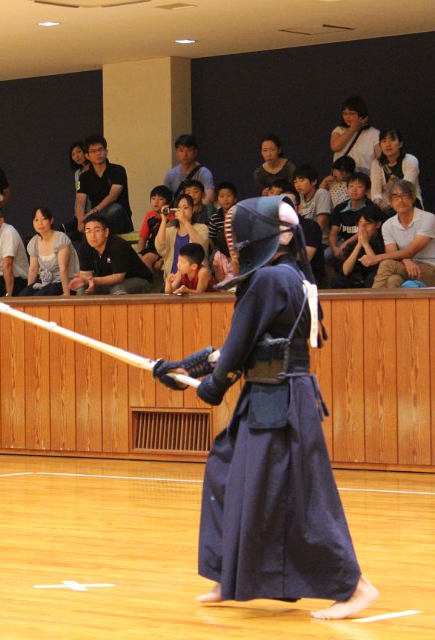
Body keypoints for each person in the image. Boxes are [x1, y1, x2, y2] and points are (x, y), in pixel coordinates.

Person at [152, 195, 378, 620]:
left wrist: (212, 385)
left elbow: (238, 346)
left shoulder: (269, 280)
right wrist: (187, 367)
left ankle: (354, 586)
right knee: (226, 470)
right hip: (272, 396)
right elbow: (256, 344)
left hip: (279, 401)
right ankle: (229, 574)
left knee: (298, 495)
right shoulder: (292, 275)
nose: (235, 245)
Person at [367, 180, 435, 288]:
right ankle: (384, 300)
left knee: (387, 264)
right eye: (395, 196)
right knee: (393, 280)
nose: (400, 200)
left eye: (404, 195)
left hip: (430, 268)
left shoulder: (428, 218)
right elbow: (392, 253)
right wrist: (407, 261)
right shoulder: (388, 225)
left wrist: (378, 257)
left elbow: (411, 251)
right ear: (390, 201)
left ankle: (372, 298)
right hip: (406, 267)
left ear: (412, 198)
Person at [69, 213, 152, 295]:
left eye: (97, 230)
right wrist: (83, 281)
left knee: (117, 289)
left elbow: (118, 277)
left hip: (138, 280)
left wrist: (93, 280)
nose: (92, 235)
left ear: (106, 232)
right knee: (82, 290)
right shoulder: (84, 247)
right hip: (105, 282)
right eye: (88, 231)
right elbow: (86, 275)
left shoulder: (118, 245)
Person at [75, 134, 133, 234]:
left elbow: (112, 197)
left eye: (100, 150)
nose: (98, 153)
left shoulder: (118, 170)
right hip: (97, 220)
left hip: (120, 221)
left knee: (115, 209)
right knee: (90, 225)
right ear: (87, 156)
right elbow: (80, 202)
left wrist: (90, 215)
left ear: (106, 152)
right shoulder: (83, 177)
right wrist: (80, 221)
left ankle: (94, 224)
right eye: (93, 151)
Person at [327, 172, 383, 271]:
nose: (354, 190)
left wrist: (345, 244)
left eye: (359, 187)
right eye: (351, 186)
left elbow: (364, 231)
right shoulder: (340, 208)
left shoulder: (370, 207)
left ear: (367, 190)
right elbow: (333, 232)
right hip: (341, 241)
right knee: (327, 255)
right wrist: (334, 248)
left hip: (362, 241)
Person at [20, 207, 77, 296]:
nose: (40, 223)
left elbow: (63, 268)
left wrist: (66, 293)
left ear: (51, 220)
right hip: (45, 282)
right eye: (36, 220)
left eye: (44, 219)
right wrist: (29, 290)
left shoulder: (60, 239)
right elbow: (33, 269)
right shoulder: (34, 242)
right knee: (24, 295)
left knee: (39, 296)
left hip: (62, 282)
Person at [154, 193, 209, 285]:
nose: (182, 212)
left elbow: (200, 246)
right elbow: (160, 248)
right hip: (172, 278)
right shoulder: (170, 231)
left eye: (186, 208)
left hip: (194, 280)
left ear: (193, 210)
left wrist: (185, 221)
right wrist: (163, 220)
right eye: (179, 208)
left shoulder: (202, 228)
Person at [331, 207, 386, 288]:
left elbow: (377, 268)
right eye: (360, 223)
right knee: (337, 280)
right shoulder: (354, 244)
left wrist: (366, 244)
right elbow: (345, 271)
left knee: (372, 277)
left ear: (378, 224)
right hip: (358, 281)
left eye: (368, 223)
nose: (363, 227)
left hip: (376, 280)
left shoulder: (384, 241)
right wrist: (359, 245)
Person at [370, 128, 423, 212]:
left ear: (400, 144)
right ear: (380, 145)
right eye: (384, 141)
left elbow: (405, 188)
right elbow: (376, 192)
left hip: (408, 201)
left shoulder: (410, 160)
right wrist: (377, 201)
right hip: (385, 205)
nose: (388, 144)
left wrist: (389, 204)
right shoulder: (376, 163)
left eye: (392, 140)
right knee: (370, 213)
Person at [330, 95, 380, 174]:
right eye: (344, 113)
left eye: (351, 113)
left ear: (361, 114)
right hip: (343, 177)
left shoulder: (374, 133)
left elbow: (379, 160)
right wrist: (353, 128)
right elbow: (335, 147)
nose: (347, 117)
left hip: (365, 178)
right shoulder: (339, 130)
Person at [164, 134, 215, 204]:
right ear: (176, 153)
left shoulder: (204, 173)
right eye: (181, 150)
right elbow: (165, 198)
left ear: (195, 152)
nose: (185, 154)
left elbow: (209, 196)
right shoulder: (170, 175)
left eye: (189, 150)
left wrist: (194, 209)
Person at [136, 185, 174, 273]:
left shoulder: (172, 216)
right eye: (153, 199)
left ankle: (149, 281)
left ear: (168, 203)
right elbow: (143, 237)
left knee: (147, 259)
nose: (156, 202)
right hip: (152, 247)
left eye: (160, 199)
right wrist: (140, 253)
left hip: (166, 248)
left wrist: (162, 259)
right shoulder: (149, 215)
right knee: (136, 259)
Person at [293, 164, 331, 231]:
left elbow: (321, 224)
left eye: (302, 180)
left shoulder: (322, 193)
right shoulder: (300, 196)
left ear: (314, 182)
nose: (298, 185)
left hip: (319, 236)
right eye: (295, 182)